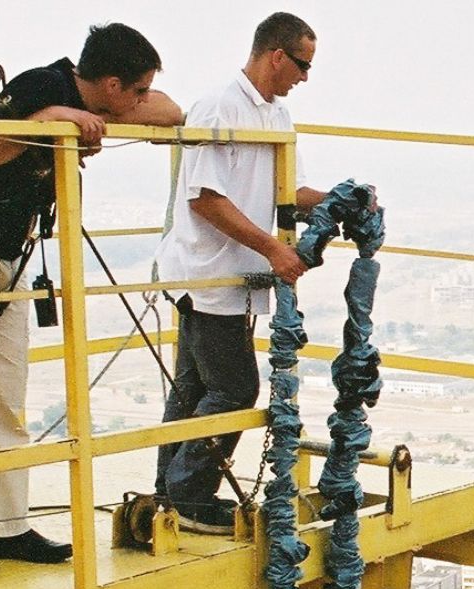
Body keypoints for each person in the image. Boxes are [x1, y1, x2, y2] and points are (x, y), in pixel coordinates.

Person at [0, 24, 182, 580]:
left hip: (6, 263)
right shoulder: (37, 87)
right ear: (109, 82)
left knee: (5, 398)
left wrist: (86, 117)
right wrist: (55, 120)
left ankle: (5, 526)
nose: (143, 99)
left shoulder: (92, 98)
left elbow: (170, 112)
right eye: (137, 88)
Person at [154, 11, 331, 533]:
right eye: (301, 65)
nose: (304, 77)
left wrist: (338, 200)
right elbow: (206, 199)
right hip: (206, 274)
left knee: (191, 390)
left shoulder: (275, 116)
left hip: (229, 275)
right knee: (233, 389)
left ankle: (169, 494)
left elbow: (286, 194)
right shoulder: (218, 106)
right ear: (276, 55)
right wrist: (273, 250)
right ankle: (188, 497)